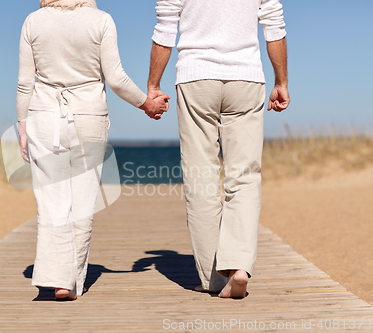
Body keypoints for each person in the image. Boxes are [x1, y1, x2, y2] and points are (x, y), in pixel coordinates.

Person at [16, 0, 169, 301]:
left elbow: (24, 83)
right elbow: (116, 78)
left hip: (43, 115)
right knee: (83, 199)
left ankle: (55, 275)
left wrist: (22, 127)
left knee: (51, 202)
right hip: (89, 116)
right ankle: (69, 282)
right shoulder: (101, 20)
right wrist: (146, 103)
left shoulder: (33, 22)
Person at [147, 0, 290, 298]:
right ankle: (238, 265)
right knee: (245, 176)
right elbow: (274, 27)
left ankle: (213, 278)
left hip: (195, 77)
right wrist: (282, 81)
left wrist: (153, 85)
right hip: (247, 78)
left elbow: (164, 32)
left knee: (202, 176)